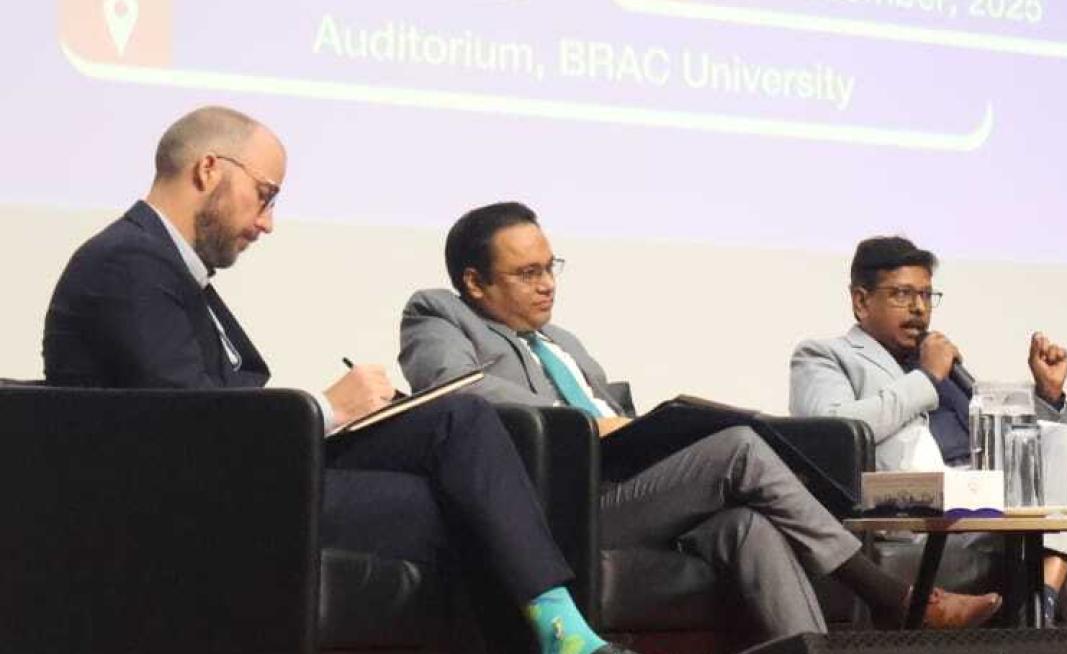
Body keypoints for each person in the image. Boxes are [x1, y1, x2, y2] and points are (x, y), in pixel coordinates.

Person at [40, 107, 633, 654]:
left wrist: (361, 415)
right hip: (196, 500)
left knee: (460, 419)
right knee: (458, 504)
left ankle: (566, 631)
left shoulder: (162, 264)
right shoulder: (129, 263)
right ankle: (561, 637)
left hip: (247, 473)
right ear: (208, 170)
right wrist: (326, 409)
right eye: (265, 195)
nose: (267, 223)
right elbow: (195, 424)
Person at [398, 203, 1001, 642]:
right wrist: (581, 425)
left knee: (746, 526)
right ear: (474, 282)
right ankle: (896, 598)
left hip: (624, 484)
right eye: (528, 273)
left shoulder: (563, 342)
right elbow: (458, 390)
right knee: (738, 449)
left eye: (550, 266)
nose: (548, 284)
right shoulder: (438, 315)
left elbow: (617, 420)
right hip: (558, 507)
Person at [788, 236, 1067, 627]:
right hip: (919, 502)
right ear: (861, 301)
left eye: (926, 295)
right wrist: (927, 378)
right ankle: (1057, 614)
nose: (919, 308)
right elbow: (832, 434)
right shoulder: (825, 356)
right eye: (902, 294)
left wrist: (1046, 394)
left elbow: (1003, 441)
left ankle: (1043, 603)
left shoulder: (941, 362)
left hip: (987, 497)